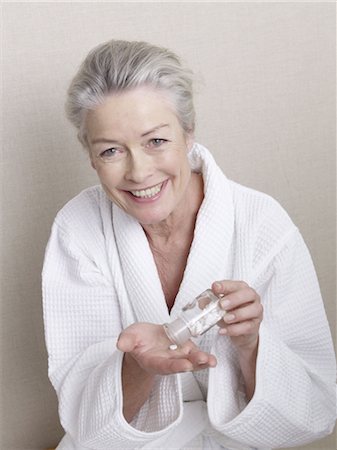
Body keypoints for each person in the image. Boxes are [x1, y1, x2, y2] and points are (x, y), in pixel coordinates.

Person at [42, 40, 336, 450]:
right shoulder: (78, 229)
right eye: (111, 150)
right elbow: (86, 423)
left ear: (188, 133)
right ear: (91, 157)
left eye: (156, 141)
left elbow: (317, 409)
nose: (139, 172)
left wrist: (252, 344)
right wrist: (139, 366)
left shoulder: (261, 222)